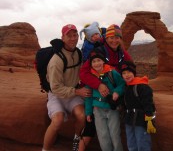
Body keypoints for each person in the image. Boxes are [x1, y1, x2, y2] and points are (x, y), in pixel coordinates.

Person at [42, 24, 92, 151]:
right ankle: (45, 149)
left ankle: (76, 139)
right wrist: (77, 91)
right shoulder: (56, 60)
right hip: (57, 95)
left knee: (82, 116)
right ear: (62, 38)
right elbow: (56, 88)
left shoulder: (78, 53)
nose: (73, 38)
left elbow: (83, 72)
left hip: (72, 93)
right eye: (69, 36)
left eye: (75, 35)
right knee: (57, 120)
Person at [85, 50, 125, 151]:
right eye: (93, 62)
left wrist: (116, 92)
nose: (96, 63)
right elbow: (88, 96)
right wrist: (88, 112)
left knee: (115, 135)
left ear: (103, 62)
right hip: (97, 109)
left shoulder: (112, 73)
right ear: (91, 64)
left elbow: (122, 84)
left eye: (99, 60)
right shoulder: (90, 77)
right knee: (103, 136)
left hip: (112, 108)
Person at [79, 24, 132, 97]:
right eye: (111, 38)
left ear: (120, 39)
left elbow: (131, 67)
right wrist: (99, 85)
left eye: (117, 38)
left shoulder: (122, 53)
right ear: (106, 39)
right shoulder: (98, 53)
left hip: (117, 88)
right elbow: (83, 73)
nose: (114, 41)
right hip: (100, 92)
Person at [120, 60, 156, 151]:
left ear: (134, 73)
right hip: (129, 120)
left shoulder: (142, 86)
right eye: (124, 73)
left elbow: (148, 103)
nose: (126, 75)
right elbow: (124, 103)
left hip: (141, 120)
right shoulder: (126, 87)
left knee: (142, 143)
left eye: (129, 72)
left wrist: (149, 119)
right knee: (131, 143)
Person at [78, 22, 103, 151]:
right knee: (90, 120)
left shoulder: (100, 41)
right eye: (92, 36)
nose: (95, 37)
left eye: (97, 35)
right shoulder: (88, 48)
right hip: (93, 83)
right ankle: (79, 145)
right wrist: (98, 85)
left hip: (102, 85)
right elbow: (84, 72)